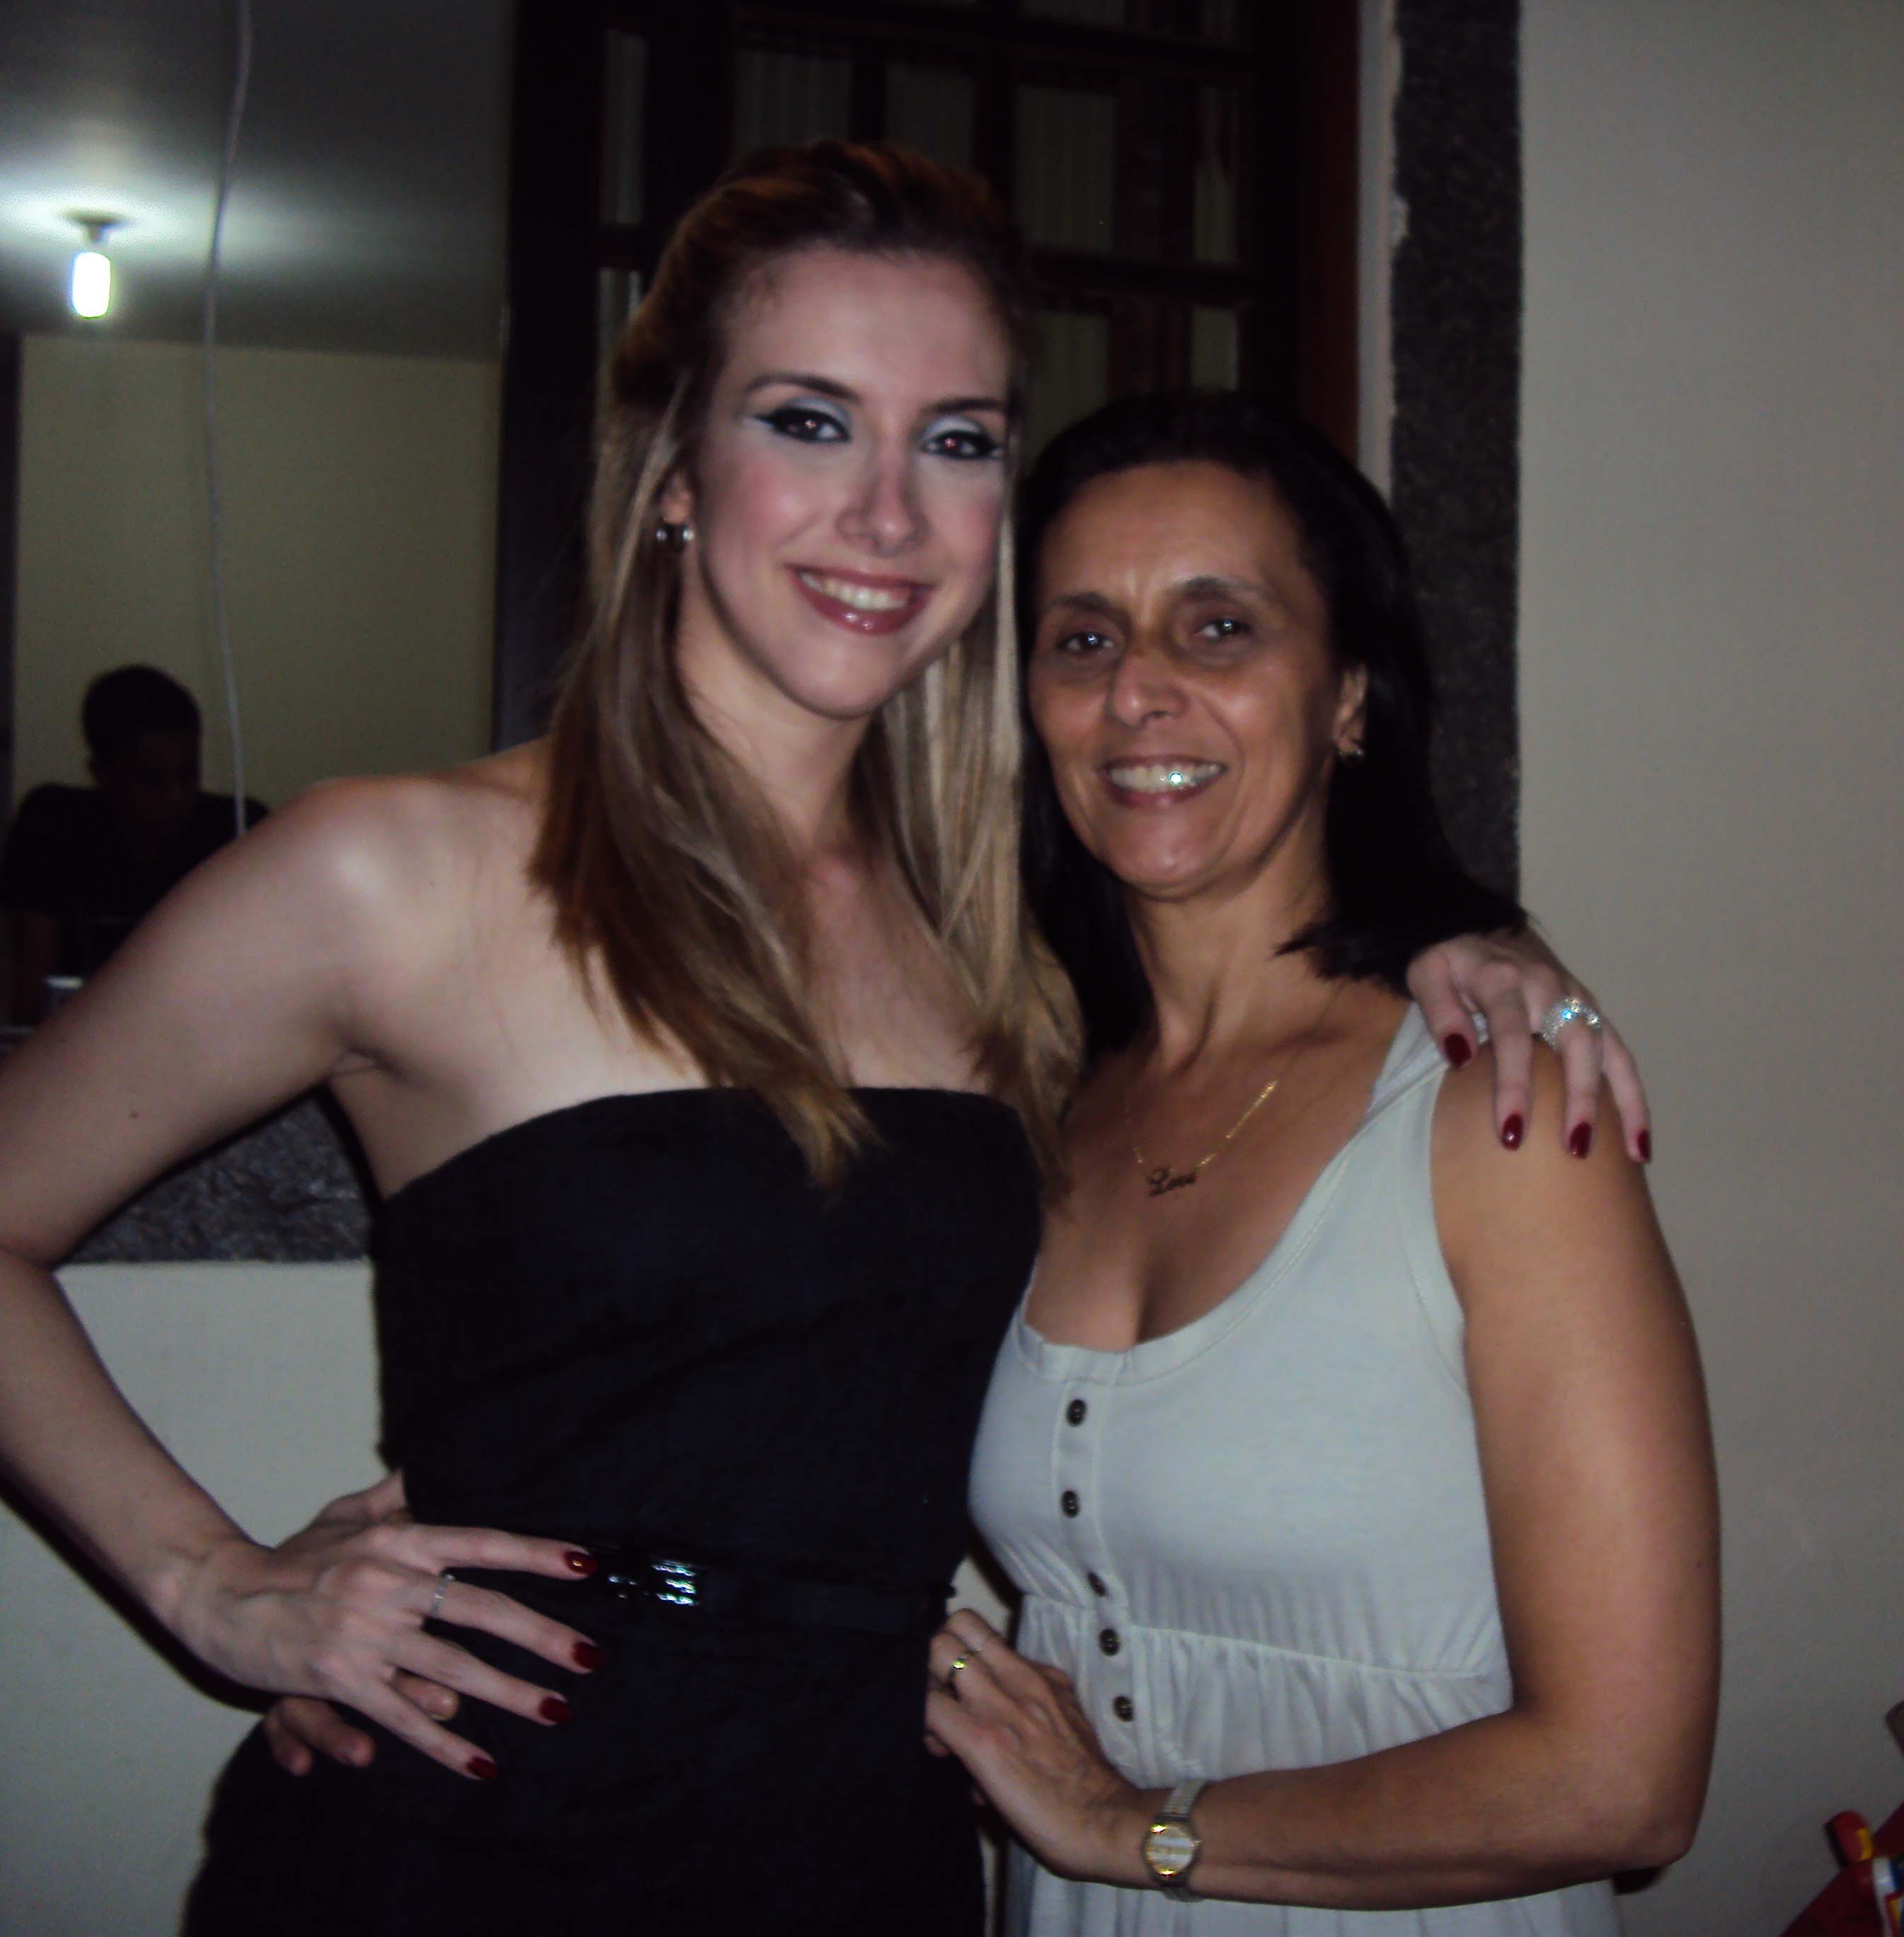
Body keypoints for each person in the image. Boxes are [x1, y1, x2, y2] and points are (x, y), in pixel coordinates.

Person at [0, 146, 1636, 1933]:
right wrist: (210, 1582)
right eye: (808, 421)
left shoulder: (1010, 934)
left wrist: (1483, 946)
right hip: (471, 1853)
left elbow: (1264, 920)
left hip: (871, 1853)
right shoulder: (397, 870)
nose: (886, 514)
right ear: (672, 470)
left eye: (957, 440)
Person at [925, 393, 1720, 1932]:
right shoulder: (1021, 1101)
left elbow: (1625, 1780)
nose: (1137, 688)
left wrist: (1134, 1829)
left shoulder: (1493, 1109)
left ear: (1349, 694)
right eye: (1082, 639)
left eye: (1217, 626)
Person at [1, 664, 265, 1024]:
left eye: (189, 773)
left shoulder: (234, 829)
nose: (175, 796)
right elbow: (34, 996)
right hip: (80, 1041)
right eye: (152, 781)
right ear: (102, 775)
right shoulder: (54, 826)